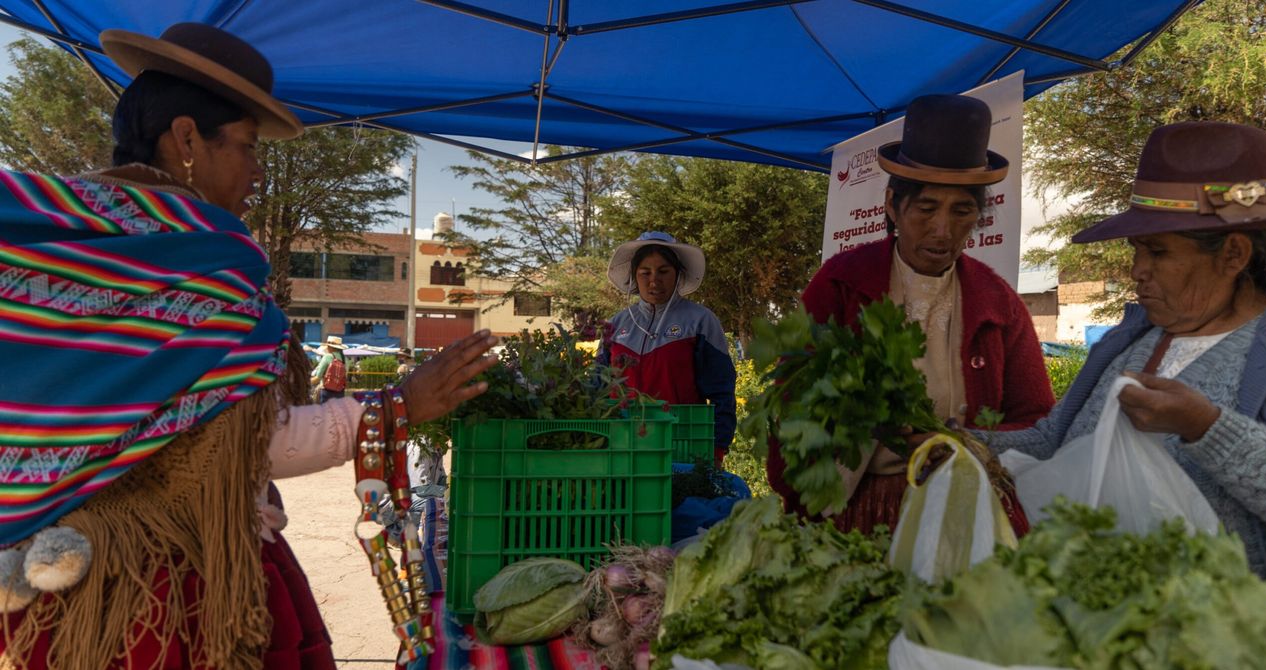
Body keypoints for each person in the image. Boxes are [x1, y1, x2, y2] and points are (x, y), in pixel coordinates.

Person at [0, 23, 497, 669]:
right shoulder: (207, 254)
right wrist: (396, 407)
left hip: (60, 593)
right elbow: (248, 443)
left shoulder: (40, 234)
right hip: (181, 596)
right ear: (185, 139)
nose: (258, 173)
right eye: (247, 147)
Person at [974, 121, 1266, 585]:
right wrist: (966, 444)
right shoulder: (1134, 336)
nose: (1137, 271)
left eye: (1156, 252)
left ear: (1233, 255)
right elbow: (1056, 441)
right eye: (1137, 250)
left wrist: (1206, 426)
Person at [768, 94, 1054, 536]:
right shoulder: (842, 284)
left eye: (962, 211)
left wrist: (967, 446)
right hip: (858, 514)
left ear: (979, 216)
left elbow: (1035, 420)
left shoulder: (997, 303)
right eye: (926, 208)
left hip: (967, 512)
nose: (943, 230)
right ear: (892, 205)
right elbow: (791, 402)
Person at [597, 232, 737, 464]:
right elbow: (597, 386)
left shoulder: (700, 321)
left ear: (678, 275)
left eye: (663, 272)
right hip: (621, 447)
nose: (654, 280)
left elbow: (722, 389)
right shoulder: (616, 325)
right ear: (634, 276)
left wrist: (718, 446)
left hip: (683, 446)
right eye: (645, 272)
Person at [311, 335, 348, 402]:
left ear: (330, 347)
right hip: (340, 393)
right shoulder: (345, 360)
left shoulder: (327, 357)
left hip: (327, 392)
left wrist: (306, 382)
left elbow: (317, 378)